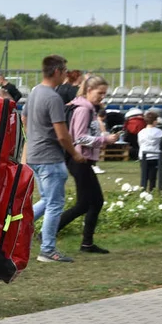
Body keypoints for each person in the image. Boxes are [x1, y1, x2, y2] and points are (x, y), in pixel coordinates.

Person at [26, 55, 85, 263]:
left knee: (46, 200)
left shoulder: (34, 92)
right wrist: (75, 153)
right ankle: (47, 249)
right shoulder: (53, 98)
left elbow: (24, 117)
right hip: (50, 158)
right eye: (65, 70)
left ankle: (18, 231)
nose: (67, 75)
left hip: (34, 155)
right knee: (55, 204)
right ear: (58, 71)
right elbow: (62, 134)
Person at [56, 75, 118, 254]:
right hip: (79, 159)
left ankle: (87, 243)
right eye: (100, 93)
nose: (102, 97)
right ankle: (48, 233)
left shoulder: (85, 106)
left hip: (80, 159)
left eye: (104, 94)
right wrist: (105, 139)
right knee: (86, 203)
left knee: (94, 202)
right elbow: (80, 137)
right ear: (89, 90)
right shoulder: (84, 109)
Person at [138, 110, 162, 191]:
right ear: (155, 121)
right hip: (155, 156)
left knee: (144, 176)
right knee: (153, 177)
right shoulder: (159, 132)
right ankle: (152, 191)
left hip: (143, 156)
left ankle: (143, 190)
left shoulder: (141, 132)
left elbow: (140, 143)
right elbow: (161, 143)